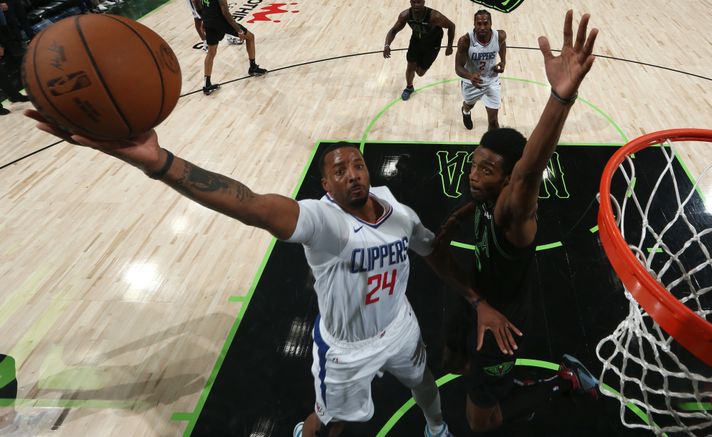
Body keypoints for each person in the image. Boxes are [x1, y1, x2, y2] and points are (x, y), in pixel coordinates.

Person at [22, 137, 457, 437]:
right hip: (346, 349)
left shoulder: (396, 210)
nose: (352, 175)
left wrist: (475, 297)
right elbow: (249, 205)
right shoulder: (325, 222)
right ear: (326, 187)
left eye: (357, 165)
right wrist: (160, 163)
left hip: (400, 326)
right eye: (339, 171)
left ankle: (436, 426)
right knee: (330, 424)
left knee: (423, 381)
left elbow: (428, 247)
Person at [433, 10, 601, 433]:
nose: (474, 174)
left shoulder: (514, 211)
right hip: (480, 301)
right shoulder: (484, 197)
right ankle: (507, 378)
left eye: (487, 170)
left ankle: (562, 383)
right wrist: (464, 214)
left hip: (502, 325)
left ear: (507, 180)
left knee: (480, 420)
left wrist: (560, 97)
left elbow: (529, 170)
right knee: (455, 362)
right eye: (474, 164)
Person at [193, 0, 266, 94]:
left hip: (209, 22)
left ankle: (207, 84)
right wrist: (238, 30)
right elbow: (225, 12)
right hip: (220, 22)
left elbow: (195, 0)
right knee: (250, 37)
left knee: (211, 52)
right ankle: (253, 67)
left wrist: (203, 17)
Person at [383, 0, 455, 101]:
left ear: (424, 2)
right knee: (410, 65)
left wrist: (449, 46)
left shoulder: (434, 16)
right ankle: (409, 87)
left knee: (420, 73)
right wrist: (387, 45)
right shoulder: (405, 15)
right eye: (414, 2)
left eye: (419, 2)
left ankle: (417, 65)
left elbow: (451, 26)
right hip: (416, 41)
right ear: (410, 3)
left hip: (432, 45)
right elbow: (393, 31)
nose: (416, 5)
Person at [455, 10, 506, 131]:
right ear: (474, 24)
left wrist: (503, 61)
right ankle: (465, 111)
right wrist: (470, 76)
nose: (482, 27)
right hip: (471, 83)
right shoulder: (465, 41)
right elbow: (458, 67)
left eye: (485, 23)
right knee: (469, 105)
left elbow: (502, 44)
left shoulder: (500, 36)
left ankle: (492, 148)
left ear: (491, 23)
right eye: (479, 24)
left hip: (491, 81)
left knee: (493, 122)